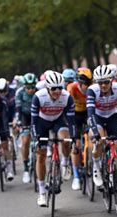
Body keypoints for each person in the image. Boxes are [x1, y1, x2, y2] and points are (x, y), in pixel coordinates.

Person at [31, 71, 74, 206]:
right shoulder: (38, 97)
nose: (57, 91)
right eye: (53, 88)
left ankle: (65, 162)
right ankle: (42, 191)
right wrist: (36, 138)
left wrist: (74, 137)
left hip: (58, 121)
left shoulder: (67, 97)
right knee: (41, 156)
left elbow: (71, 121)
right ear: (47, 88)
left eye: (60, 88)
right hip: (42, 123)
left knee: (65, 139)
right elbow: (33, 121)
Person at [87, 64, 117, 190]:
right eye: (100, 83)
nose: (103, 85)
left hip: (112, 116)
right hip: (97, 117)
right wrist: (95, 132)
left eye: (106, 82)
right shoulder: (92, 90)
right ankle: (96, 166)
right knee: (98, 141)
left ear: (111, 80)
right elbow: (90, 113)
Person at [67, 67, 93, 190]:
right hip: (75, 115)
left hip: (87, 113)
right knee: (76, 145)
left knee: (92, 136)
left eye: (89, 83)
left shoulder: (92, 89)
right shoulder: (72, 88)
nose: (87, 87)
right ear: (79, 83)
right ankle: (76, 176)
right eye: (85, 84)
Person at [15, 73, 38, 183]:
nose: (30, 90)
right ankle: (25, 169)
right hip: (24, 116)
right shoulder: (19, 93)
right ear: (24, 86)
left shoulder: (39, 92)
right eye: (28, 87)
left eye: (32, 87)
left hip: (35, 115)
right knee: (25, 141)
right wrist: (18, 121)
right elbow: (18, 109)